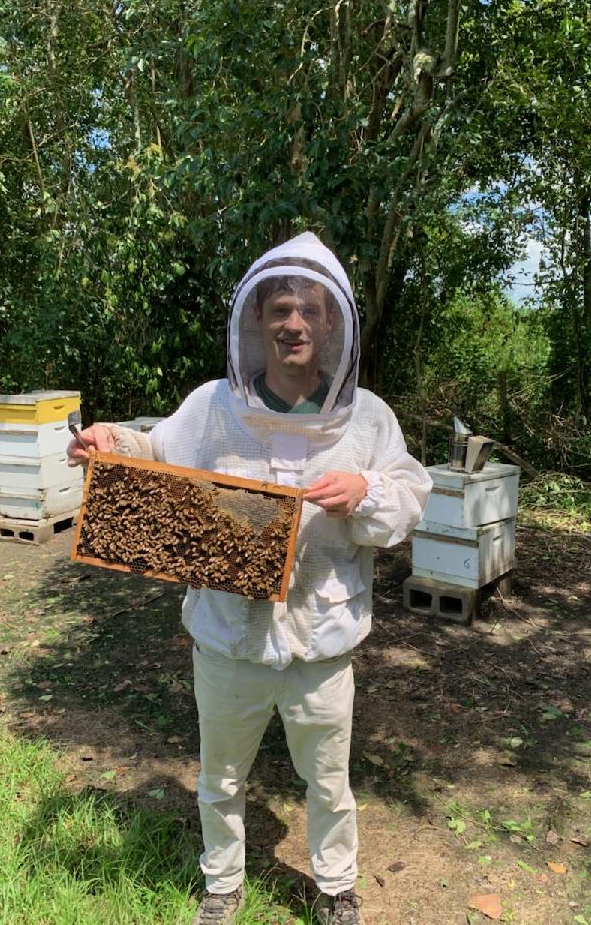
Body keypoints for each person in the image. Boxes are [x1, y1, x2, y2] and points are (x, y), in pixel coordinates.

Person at [68, 232, 432, 925]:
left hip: (320, 645)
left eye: (310, 310)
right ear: (258, 320)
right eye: (281, 308)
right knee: (221, 778)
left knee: (328, 782)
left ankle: (334, 888)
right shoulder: (212, 406)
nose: (294, 322)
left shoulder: (368, 417)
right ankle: (223, 885)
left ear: (332, 324)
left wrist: (366, 489)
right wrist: (110, 444)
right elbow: (156, 453)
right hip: (228, 640)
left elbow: (410, 493)